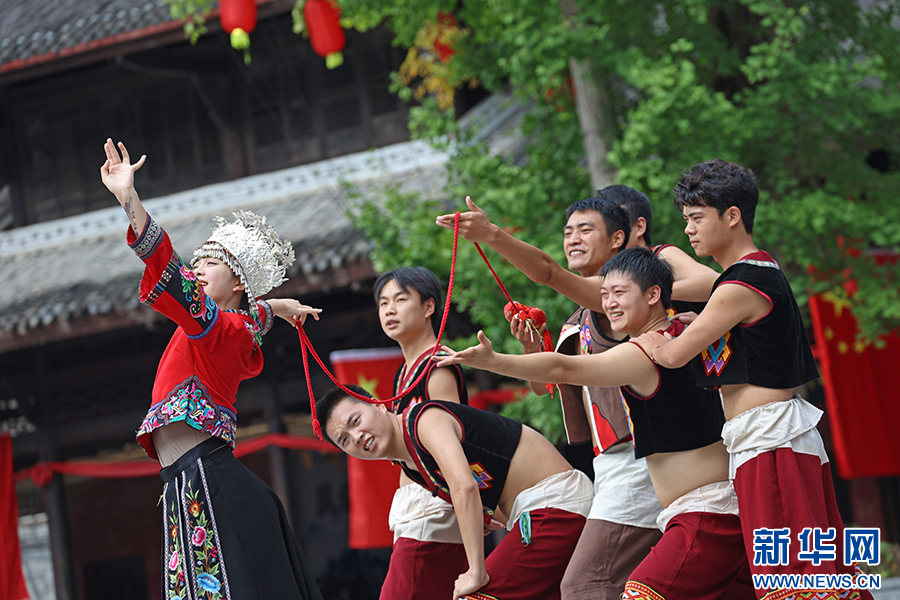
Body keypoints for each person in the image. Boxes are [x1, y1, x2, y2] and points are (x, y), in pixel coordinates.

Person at [436, 247, 755, 600]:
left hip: (706, 512)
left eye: (620, 293)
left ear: (653, 295)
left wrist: (494, 361)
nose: (609, 303)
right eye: (603, 295)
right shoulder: (688, 327)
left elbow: (563, 369)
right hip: (708, 508)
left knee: (621, 590)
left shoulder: (645, 352)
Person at [633, 159, 873, 600]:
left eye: (696, 218)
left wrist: (647, 338)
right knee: (808, 566)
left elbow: (671, 357)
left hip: (771, 439)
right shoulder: (752, 275)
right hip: (766, 438)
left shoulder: (739, 284)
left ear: (732, 215)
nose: (688, 229)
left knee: (794, 574)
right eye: (686, 219)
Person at [100, 139, 324, 600]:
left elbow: (169, 269)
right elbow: (254, 318)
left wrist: (131, 201)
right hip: (185, 479)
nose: (196, 269)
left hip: (207, 477)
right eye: (196, 261)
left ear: (237, 281)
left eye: (209, 263)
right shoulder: (226, 325)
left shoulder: (213, 324)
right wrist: (279, 306)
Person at [438, 193, 664, 599]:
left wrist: (492, 235)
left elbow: (547, 272)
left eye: (585, 230)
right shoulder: (578, 318)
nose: (573, 239)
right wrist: (529, 349)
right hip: (603, 464)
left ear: (618, 238)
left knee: (585, 584)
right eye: (567, 231)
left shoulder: (620, 302)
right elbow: (547, 387)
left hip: (639, 457)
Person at [316, 386, 594, 600]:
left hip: (555, 504)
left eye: (355, 420)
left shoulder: (423, 420)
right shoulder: (412, 465)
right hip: (538, 514)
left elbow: (464, 487)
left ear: (378, 405)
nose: (356, 436)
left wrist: (476, 570)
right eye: (344, 440)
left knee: (477, 595)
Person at [373, 267, 469, 600]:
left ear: (429, 307)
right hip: (421, 508)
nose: (389, 309)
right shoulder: (406, 372)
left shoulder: (436, 366)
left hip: (433, 507)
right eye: (383, 302)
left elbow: (449, 450)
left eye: (401, 299)